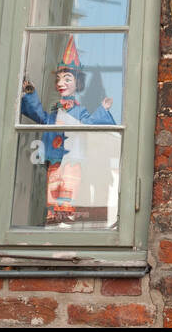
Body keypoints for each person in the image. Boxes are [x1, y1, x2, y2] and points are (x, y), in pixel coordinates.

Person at [20, 37, 115, 224]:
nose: (61, 83)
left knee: (70, 180)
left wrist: (102, 110)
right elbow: (41, 117)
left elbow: (89, 123)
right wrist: (30, 94)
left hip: (73, 154)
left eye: (67, 78)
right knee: (54, 180)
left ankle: (66, 209)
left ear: (77, 83)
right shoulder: (56, 110)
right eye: (59, 79)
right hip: (56, 154)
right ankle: (55, 212)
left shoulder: (78, 110)